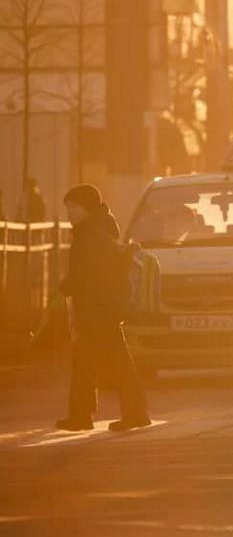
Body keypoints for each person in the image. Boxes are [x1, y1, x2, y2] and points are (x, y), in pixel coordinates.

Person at [56, 184, 151, 432]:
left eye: (74, 208)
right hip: (100, 308)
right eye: (68, 208)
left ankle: (132, 413)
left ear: (87, 208)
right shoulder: (93, 231)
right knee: (87, 362)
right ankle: (83, 415)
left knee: (113, 363)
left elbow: (90, 274)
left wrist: (66, 286)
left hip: (99, 310)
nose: (70, 213)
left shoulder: (92, 236)